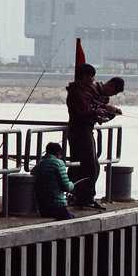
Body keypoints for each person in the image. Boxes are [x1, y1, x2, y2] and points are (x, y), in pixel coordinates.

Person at [66, 63, 105, 210]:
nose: (93, 80)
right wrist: (94, 113)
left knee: (88, 166)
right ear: (84, 77)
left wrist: (97, 114)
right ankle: (84, 197)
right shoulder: (76, 93)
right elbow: (76, 115)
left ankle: (83, 196)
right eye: (91, 76)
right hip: (80, 132)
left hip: (85, 130)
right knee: (89, 167)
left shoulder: (82, 92)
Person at [30, 142, 76, 220]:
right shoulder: (59, 164)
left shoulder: (38, 166)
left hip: (42, 208)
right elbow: (66, 187)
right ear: (58, 153)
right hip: (58, 207)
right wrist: (72, 184)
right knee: (72, 218)